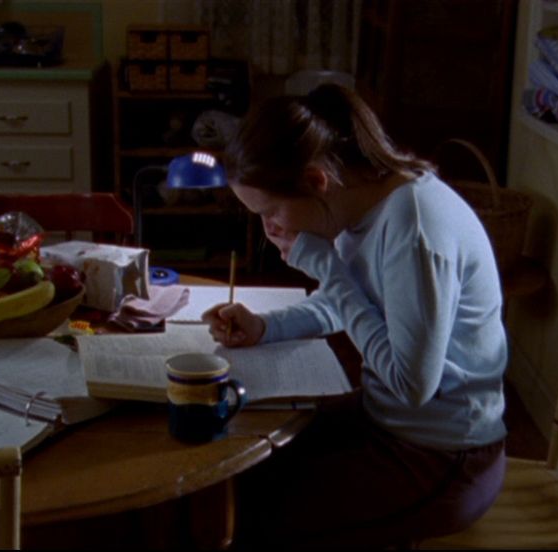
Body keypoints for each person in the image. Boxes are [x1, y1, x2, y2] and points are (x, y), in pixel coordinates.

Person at [202, 83, 508, 550]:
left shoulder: (414, 230)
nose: (271, 230)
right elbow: (349, 302)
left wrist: (327, 267)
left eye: (270, 212)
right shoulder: (359, 204)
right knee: (237, 467)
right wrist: (267, 326)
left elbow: (412, 386)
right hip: (386, 423)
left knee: (250, 517)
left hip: (446, 456)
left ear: (316, 181)